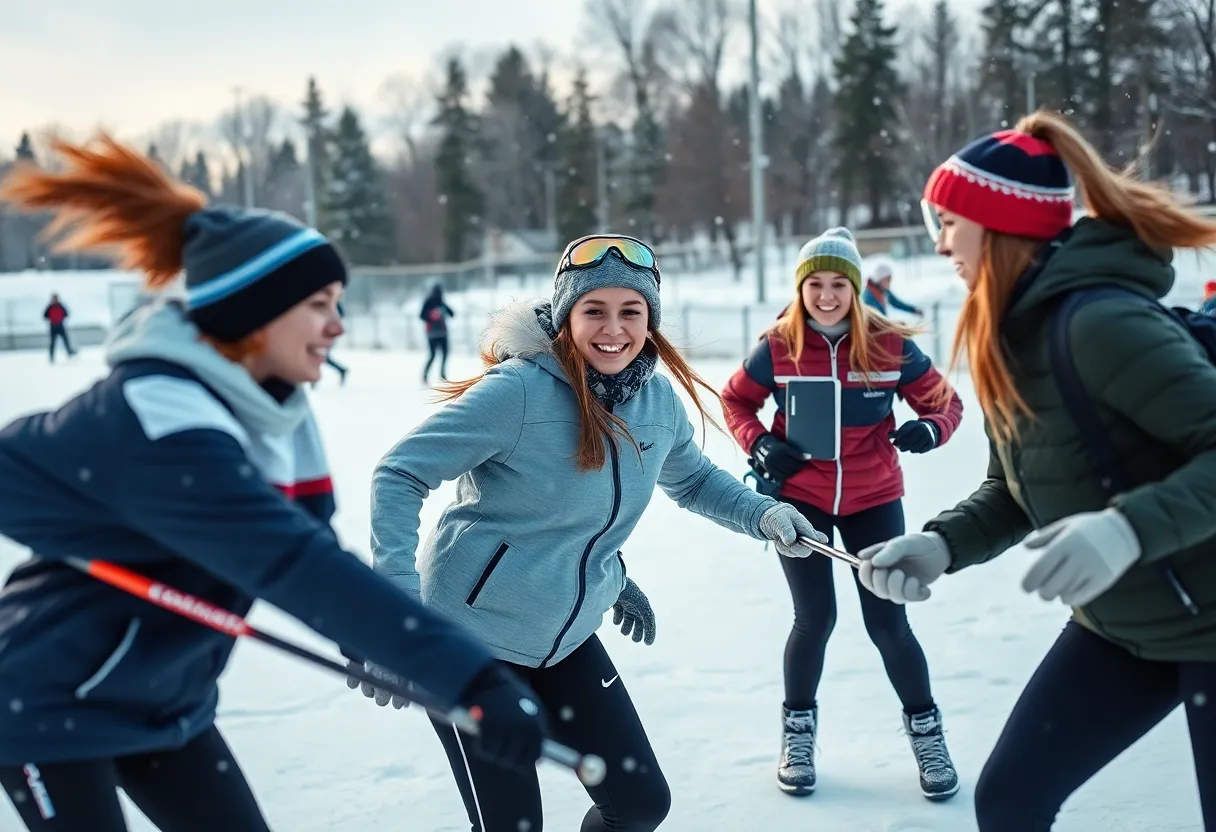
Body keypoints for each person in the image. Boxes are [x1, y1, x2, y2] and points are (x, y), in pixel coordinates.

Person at [0, 135, 547, 832]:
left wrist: (376, 643)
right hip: (50, 702)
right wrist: (470, 677)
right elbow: (295, 565)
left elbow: (311, 540)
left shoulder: (276, 410)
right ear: (254, 314)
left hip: (168, 697)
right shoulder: (161, 419)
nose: (337, 326)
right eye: (319, 304)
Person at [363, 233, 830, 832]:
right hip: (471, 641)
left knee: (639, 804)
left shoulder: (656, 401)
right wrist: (397, 611)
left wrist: (762, 514)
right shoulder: (517, 392)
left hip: (566, 639)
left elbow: (692, 481)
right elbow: (399, 473)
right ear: (567, 316)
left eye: (631, 311)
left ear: (650, 320)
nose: (614, 329)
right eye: (595, 310)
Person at [857, 112, 1216, 830]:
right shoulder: (1008, 339)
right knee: (1010, 802)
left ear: (999, 227)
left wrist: (1124, 530)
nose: (939, 242)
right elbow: (1014, 488)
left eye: (949, 222)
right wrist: (942, 544)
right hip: (1124, 624)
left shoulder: (1101, 325)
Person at [720, 226, 964, 800]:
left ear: (855, 289)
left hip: (873, 499)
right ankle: (797, 735)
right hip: (800, 500)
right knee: (814, 619)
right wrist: (759, 442)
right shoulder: (778, 345)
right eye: (815, 284)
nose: (826, 296)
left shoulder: (889, 345)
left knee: (888, 623)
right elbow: (736, 400)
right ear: (801, 288)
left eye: (838, 284)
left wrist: (931, 428)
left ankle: (927, 735)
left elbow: (945, 402)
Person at [420, 282, 454, 384]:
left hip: (442, 333)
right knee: (432, 355)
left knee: (445, 354)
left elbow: (452, 313)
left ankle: (442, 374)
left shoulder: (441, 303)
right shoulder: (428, 302)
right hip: (432, 334)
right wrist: (431, 316)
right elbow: (422, 316)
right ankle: (425, 375)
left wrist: (444, 312)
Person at [43, 292, 75, 362]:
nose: (55, 300)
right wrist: (51, 319)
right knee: (52, 343)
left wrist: (61, 319)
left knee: (65, 340)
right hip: (53, 326)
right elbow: (45, 315)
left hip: (60, 325)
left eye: (56, 298)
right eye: (54, 299)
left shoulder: (61, 306)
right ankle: (51, 357)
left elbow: (66, 314)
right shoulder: (49, 307)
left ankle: (69, 352)